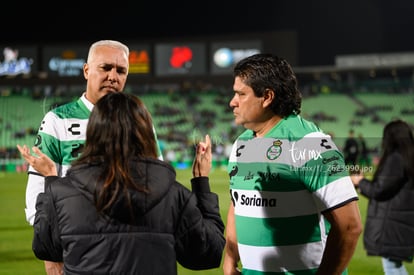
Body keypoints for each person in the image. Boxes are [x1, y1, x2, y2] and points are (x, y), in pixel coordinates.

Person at [17, 92, 225, 274]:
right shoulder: (173, 194)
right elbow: (209, 253)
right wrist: (201, 182)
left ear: (93, 134)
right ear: (145, 134)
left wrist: (52, 180)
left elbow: (46, 246)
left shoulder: (62, 192)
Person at [23, 39, 163, 274]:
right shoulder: (57, 121)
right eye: (105, 67)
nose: (113, 76)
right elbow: (38, 192)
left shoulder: (141, 123)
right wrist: (50, 251)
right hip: (77, 253)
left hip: (132, 251)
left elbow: (157, 185)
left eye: (121, 71)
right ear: (87, 70)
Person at [222, 53, 363, 275]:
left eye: (241, 94)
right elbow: (237, 202)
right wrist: (230, 257)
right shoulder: (242, 143)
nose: (233, 102)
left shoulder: (310, 143)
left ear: (267, 97)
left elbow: (349, 226)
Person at [351, 119, 414, 275]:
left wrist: (360, 181)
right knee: (394, 265)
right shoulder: (408, 158)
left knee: (391, 266)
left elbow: (379, 190)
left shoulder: (395, 159)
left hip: (392, 225)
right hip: (401, 223)